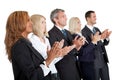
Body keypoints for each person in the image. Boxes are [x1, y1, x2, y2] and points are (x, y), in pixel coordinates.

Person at [4, 11, 68, 80]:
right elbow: (32, 76)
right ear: (19, 23)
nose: (31, 23)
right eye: (28, 20)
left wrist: (53, 56)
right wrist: (49, 59)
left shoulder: (26, 43)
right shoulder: (20, 46)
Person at [28, 14, 73, 80]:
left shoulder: (46, 39)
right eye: (42, 22)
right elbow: (38, 61)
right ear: (35, 24)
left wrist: (61, 54)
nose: (45, 24)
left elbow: (51, 60)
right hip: (44, 75)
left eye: (45, 22)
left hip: (54, 73)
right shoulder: (31, 41)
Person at [48, 8, 83, 80]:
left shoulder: (67, 32)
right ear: (55, 19)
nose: (66, 18)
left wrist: (78, 45)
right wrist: (74, 45)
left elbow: (74, 50)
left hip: (75, 68)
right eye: (63, 16)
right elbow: (58, 53)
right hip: (64, 70)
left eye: (65, 16)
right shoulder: (51, 34)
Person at [81, 10, 112, 80]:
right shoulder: (83, 31)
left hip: (103, 61)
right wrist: (100, 38)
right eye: (94, 16)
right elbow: (88, 48)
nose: (96, 18)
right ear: (88, 18)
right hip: (93, 63)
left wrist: (106, 38)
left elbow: (104, 44)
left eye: (95, 16)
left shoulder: (96, 29)